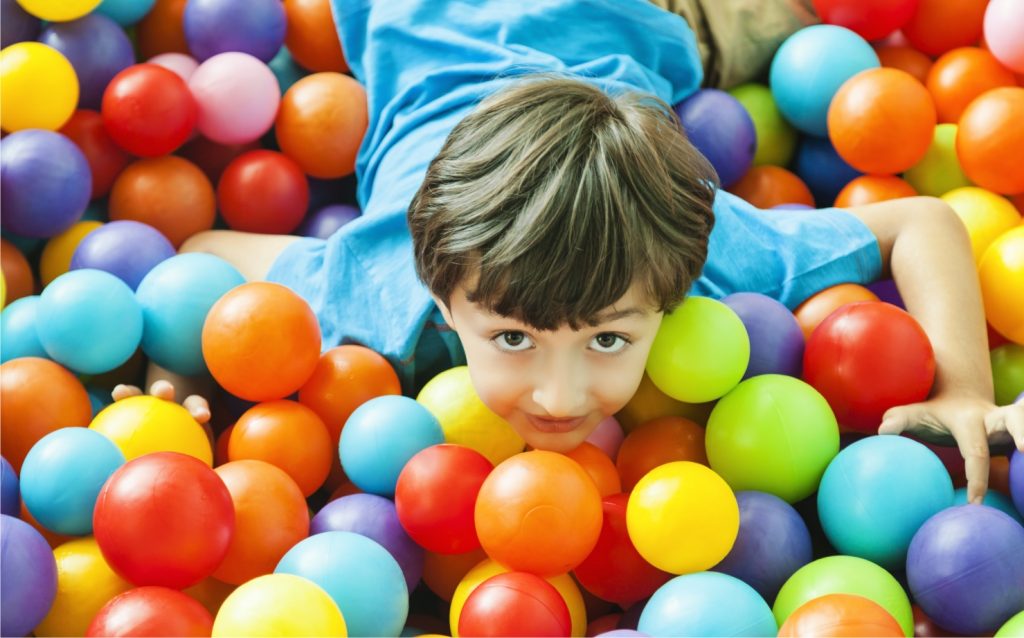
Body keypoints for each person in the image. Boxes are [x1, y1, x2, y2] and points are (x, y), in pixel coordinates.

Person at [116, 0, 1022, 503]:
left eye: (607, 341)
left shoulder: (702, 247)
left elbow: (925, 222)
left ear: (670, 297)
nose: (558, 398)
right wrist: (190, 371)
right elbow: (204, 248)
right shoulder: (381, 285)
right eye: (512, 338)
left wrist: (963, 391)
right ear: (443, 300)